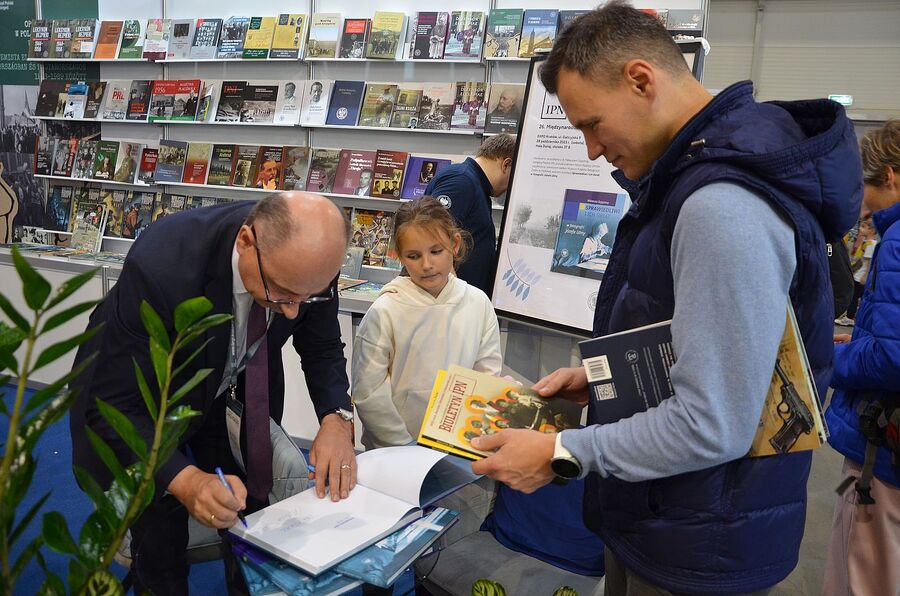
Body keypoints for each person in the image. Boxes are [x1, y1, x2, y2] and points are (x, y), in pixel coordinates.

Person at [469, 3, 862, 594]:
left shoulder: (719, 206)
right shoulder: (691, 177)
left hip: (702, 541)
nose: (592, 151)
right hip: (678, 518)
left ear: (641, 80)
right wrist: (607, 383)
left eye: (591, 124)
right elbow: (713, 346)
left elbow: (714, 424)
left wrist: (561, 451)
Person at [69, 193, 358, 594]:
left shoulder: (309, 265)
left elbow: (322, 345)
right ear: (246, 242)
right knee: (160, 532)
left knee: (250, 513)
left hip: (233, 393)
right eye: (281, 293)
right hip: (144, 400)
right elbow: (115, 405)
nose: (293, 311)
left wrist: (336, 418)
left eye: (308, 296)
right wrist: (185, 480)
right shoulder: (162, 263)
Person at [351, 196, 501, 550]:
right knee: (384, 545)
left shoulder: (477, 303)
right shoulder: (386, 310)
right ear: (399, 257)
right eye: (413, 256)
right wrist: (404, 448)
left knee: (447, 548)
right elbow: (369, 391)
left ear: (454, 244)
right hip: (393, 453)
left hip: (456, 455)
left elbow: (487, 373)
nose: (427, 265)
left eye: (436, 251)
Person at [824, 120, 900, 596]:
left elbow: (893, 355)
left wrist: (829, 357)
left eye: (866, 191)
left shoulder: (898, 241)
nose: (863, 206)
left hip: (884, 456)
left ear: (890, 176)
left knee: (864, 575)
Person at [425, 133, 515, 294]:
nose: (509, 187)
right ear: (506, 165)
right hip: (449, 306)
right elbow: (431, 237)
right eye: (513, 176)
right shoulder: (462, 181)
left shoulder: (475, 184)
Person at [835, 215, 878, 326]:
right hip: (857, 275)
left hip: (860, 278)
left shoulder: (871, 244)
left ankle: (849, 317)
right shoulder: (864, 242)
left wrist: (865, 276)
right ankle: (850, 315)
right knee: (854, 297)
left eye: (863, 227)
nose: (860, 229)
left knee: (854, 297)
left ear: (871, 230)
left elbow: (868, 263)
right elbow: (856, 258)